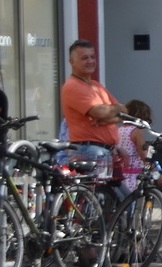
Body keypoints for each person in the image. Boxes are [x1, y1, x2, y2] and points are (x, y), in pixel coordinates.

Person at [60, 40, 121, 177]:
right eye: (84, 58)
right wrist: (114, 111)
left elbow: (125, 111)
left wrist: (107, 119)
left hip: (104, 151)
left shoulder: (96, 85)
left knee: (119, 195)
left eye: (92, 57)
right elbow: (98, 112)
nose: (90, 61)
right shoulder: (73, 86)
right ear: (72, 62)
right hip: (89, 151)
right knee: (97, 195)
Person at [115, 99, 154, 194]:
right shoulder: (137, 131)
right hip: (133, 176)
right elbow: (142, 153)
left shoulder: (119, 130)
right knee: (133, 203)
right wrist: (154, 169)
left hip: (121, 175)